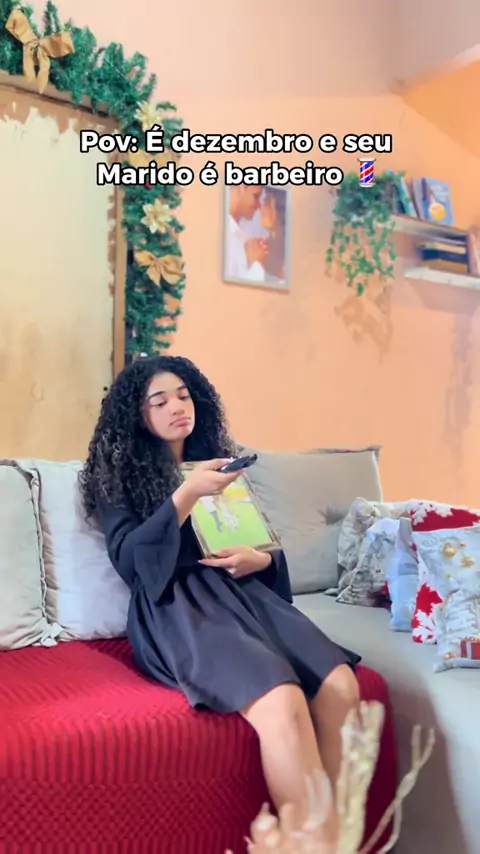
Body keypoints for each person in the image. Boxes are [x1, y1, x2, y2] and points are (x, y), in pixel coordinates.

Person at [79, 355, 360, 849]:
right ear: (137, 415)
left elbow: (257, 542)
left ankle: (332, 839)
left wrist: (261, 559)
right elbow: (132, 564)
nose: (177, 407)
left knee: (341, 686)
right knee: (282, 702)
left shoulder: (217, 461)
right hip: (178, 605)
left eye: (183, 395)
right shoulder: (117, 474)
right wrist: (186, 493)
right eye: (159, 401)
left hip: (243, 594)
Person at [226, 185, 268, 281]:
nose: (259, 205)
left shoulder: (242, 233)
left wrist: (249, 257)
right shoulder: (221, 233)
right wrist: (257, 264)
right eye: (256, 195)